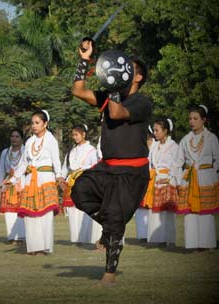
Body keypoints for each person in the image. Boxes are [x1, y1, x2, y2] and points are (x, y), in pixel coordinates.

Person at [71, 39, 152, 284]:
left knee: (116, 217)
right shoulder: (109, 97)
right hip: (107, 168)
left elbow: (117, 113)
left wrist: (113, 83)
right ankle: (109, 227)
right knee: (79, 192)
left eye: (129, 68)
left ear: (137, 77)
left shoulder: (142, 102)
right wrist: (84, 60)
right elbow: (78, 90)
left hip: (132, 172)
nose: (123, 70)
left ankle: (109, 273)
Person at [172, 105, 219, 250]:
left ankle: (207, 244)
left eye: (195, 118)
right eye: (190, 118)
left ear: (204, 120)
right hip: (188, 179)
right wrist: (176, 180)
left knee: (206, 213)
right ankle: (192, 244)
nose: (192, 121)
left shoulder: (211, 138)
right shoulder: (185, 140)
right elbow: (177, 162)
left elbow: (218, 158)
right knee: (190, 213)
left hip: (206, 177)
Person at [18, 110, 63, 255]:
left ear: (45, 124)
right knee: (31, 214)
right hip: (30, 180)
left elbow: (56, 161)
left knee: (45, 215)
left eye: (37, 123)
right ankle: (33, 247)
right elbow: (24, 163)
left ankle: (45, 247)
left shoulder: (51, 140)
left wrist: (59, 176)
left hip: (45, 179)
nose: (34, 125)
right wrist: (14, 179)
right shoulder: (30, 141)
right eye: (33, 123)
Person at [61, 124, 99, 244]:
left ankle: (85, 238)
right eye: (73, 135)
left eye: (77, 134)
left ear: (83, 134)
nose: (75, 137)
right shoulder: (71, 151)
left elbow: (95, 168)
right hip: (71, 183)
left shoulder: (92, 150)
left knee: (84, 211)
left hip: (85, 183)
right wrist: (62, 180)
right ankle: (75, 238)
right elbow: (65, 169)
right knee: (73, 211)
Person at [146, 118, 179, 245]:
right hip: (155, 179)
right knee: (155, 210)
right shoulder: (154, 146)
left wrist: (170, 177)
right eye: (154, 130)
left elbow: (177, 164)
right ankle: (157, 239)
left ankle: (169, 239)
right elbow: (149, 162)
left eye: (157, 130)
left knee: (167, 211)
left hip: (168, 180)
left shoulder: (174, 146)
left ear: (165, 131)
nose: (154, 132)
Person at [0, 129, 26, 244]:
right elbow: (2, 171)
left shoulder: (26, 151)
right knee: (9, 212)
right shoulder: (5, 152)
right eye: (12, 136)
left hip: (22, 183)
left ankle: (22, 236)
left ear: (21, 139)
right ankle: (12, 237)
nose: (14, 139)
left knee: (21, 211)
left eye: (17, 136)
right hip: (8, 184)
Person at [134, 126, 156, 241]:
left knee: (151, 207)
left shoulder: (156, 146)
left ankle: (151, 234)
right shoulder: (138, 146)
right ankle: (142, 235)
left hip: (152, 180)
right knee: (140, 208)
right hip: (140, 179)